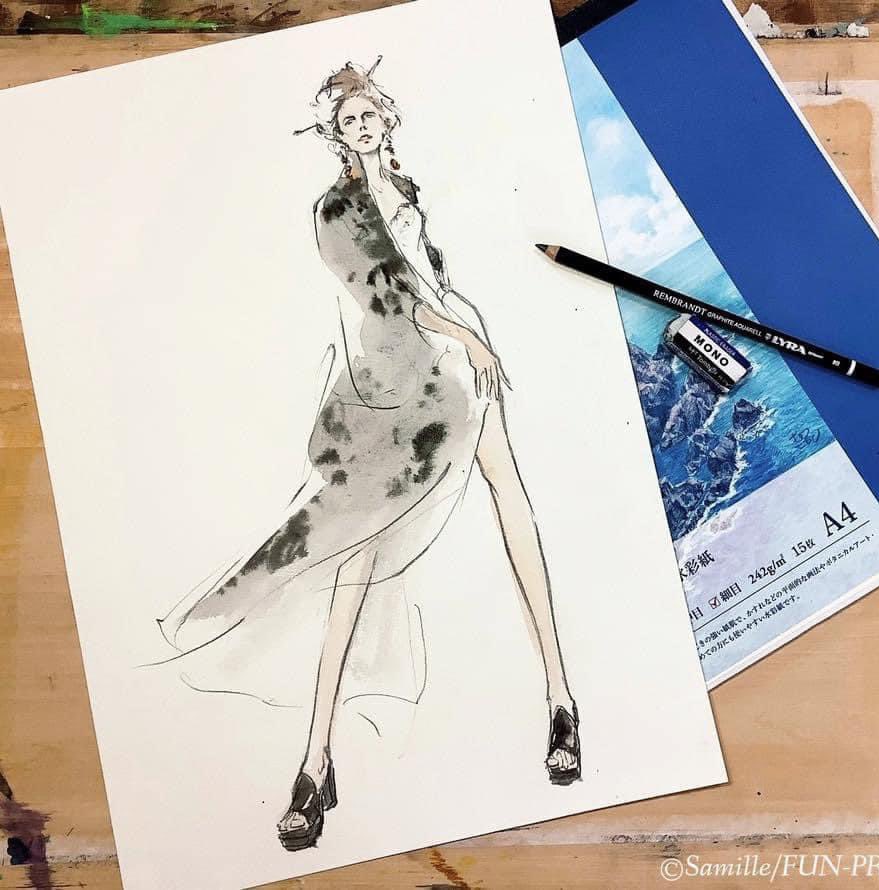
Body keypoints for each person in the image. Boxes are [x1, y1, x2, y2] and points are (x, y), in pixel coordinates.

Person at [158, 59, 580, 853]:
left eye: (368, 114)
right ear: (335, 135)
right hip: (402, 378)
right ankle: (314, 762)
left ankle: (562, 701)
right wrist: (466, 336)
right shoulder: (335, 210)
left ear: (387, 118)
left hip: (461, 358)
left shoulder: (407, 189)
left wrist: (468, 335)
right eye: (346, 121)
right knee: (357, 547)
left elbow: (430, 279)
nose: (361, 127)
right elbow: (388, 299)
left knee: (511, 500)